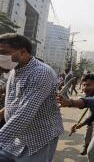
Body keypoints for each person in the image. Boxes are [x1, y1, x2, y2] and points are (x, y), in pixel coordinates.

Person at [0, 34, 63, 162]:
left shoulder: (40, 73)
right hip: (14, 136)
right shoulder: (14, 70)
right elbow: (17, 100)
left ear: (23, 52)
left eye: (3, 53)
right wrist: (3, 112)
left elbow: (24, 114)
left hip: (38, 139)